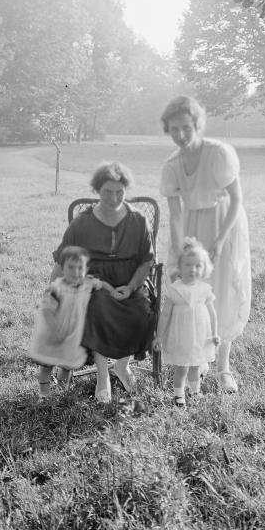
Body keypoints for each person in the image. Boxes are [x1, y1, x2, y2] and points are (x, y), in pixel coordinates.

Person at [159, 96, 251, 394]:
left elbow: (236, 199)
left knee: (222, 291)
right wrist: (178, 249)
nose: (181, 134)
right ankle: (200, 358)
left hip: (225, 223)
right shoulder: (172, 165)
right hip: (192, 227)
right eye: (174, 129)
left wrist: (220, 241)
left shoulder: (219, 154)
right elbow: (174, 214)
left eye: (186, 127)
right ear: (168, 130)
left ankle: (224, 366)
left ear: (197, 124)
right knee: (195, 291)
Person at [50, 161, 155, 403]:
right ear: (97, 191)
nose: (114, 197)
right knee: (97, 305)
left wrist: (131, 287)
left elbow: (146, 261)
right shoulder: (83, 223)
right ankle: (102, 375)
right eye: (108, 191)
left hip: (129, 282)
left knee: (141, 310)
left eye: (120, 191)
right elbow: (63, 260)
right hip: (94, 283)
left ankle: (121, 366)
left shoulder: (138, 220)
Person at [29, 245, 112, 400]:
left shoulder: (86, 283)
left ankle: (62, 390)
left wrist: (112, 291)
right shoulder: (57, 288)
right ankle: (44, 394)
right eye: (70, 267)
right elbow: (47, 311)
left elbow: (100, 284)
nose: (75, 272)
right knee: (47, 364)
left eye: (79, 268)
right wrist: (56, 330)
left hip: (72, 333)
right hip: (53, 333)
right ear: (62, 268)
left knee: (67, 364)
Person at [153, 238, 219, 407]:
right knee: (182, 367)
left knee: (196, 365)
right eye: (188, 265)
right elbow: (166, 314)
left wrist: (214, 333)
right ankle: (178, 394)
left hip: (200, 335)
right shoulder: (176, 289)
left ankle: (195, 391)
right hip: (181, 335)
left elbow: (212, 313)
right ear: (180, 268)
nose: (193, 269)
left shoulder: (205, 289)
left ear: (203, 268)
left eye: (197, 266)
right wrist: (159, 336)